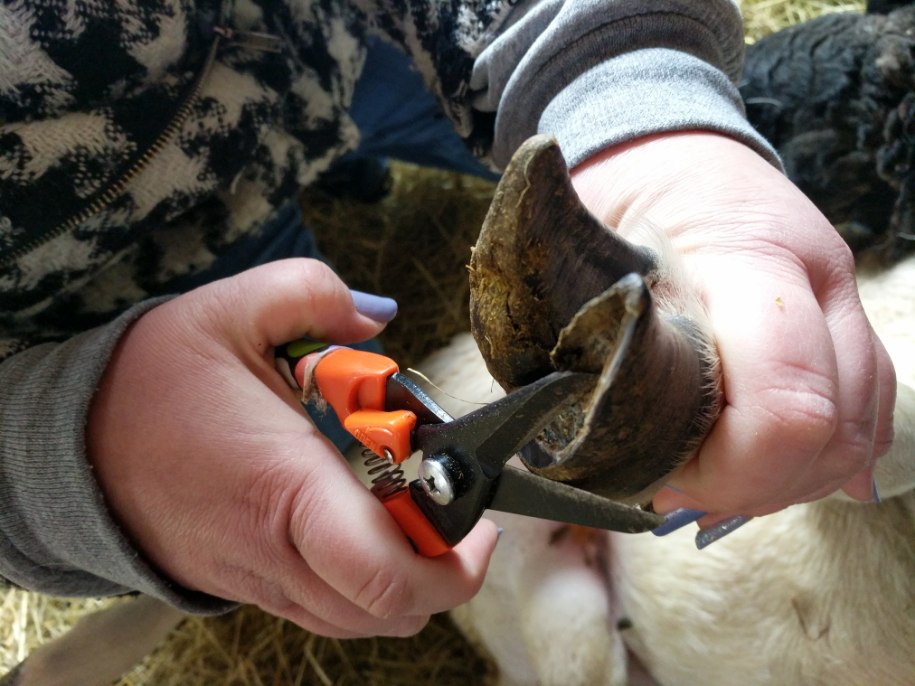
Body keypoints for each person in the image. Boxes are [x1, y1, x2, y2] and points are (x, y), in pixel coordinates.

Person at [0, 0, 894, 639]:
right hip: (90, 302)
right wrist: (74, 453)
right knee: (298, 496)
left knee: (812, 115)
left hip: (348, 39)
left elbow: (598, 69)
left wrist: (639, 103)